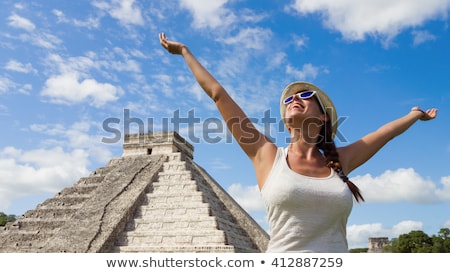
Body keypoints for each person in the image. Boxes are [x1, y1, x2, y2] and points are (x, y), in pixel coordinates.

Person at [158, 32, 438, 253]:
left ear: (323, 117)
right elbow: (218, 95)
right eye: (289, 99)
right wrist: (184, 52)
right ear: (286, 120)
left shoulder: (341, 160)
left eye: (305, 97)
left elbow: (384, 133)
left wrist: (414, 115)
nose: (294, 100)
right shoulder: (266, 154)